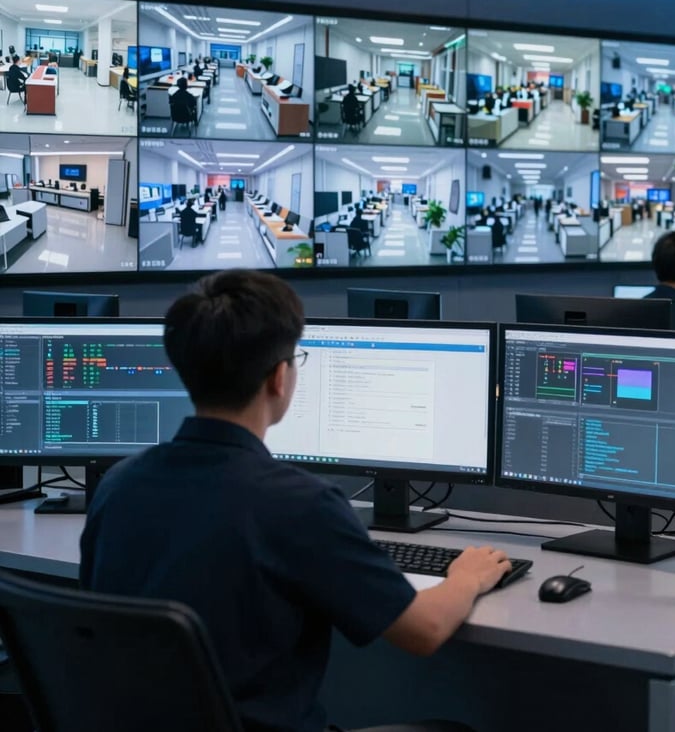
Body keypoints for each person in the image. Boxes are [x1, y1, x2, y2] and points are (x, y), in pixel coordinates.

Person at [80, 270, 509, 732]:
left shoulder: (119, 485)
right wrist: (466, 578)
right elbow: (423, 632)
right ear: (280, 378)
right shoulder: (298, 504)